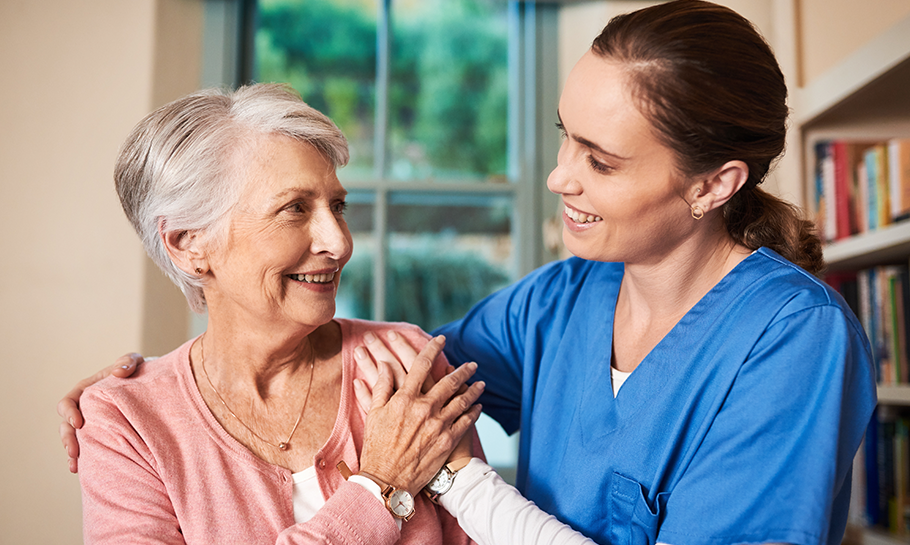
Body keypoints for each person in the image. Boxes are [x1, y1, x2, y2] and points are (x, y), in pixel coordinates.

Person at [61, 2, 877, 544]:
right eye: (564, 137)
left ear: (713, 183)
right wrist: (146, 386)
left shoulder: (793, 339)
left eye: (600, 159)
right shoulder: (554, 305)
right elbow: (387, 371)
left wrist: (408, 482)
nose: (560, 177)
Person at [71, 82, 485, 544]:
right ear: (189, 243)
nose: (340, 243)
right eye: (294, 209)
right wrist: (380, 488)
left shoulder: (404, 361)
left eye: (338, 206)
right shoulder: (127, 422)